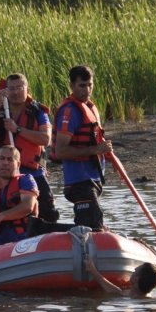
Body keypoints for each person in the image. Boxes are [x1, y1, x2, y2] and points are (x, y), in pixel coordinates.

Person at [0, 73, 59, 227]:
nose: (16, 92)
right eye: (12, 89)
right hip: (3, 170)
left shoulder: (39, 112)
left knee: (47, 211)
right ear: (6, 91)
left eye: (20, 88)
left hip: (32, 170)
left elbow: (46, 139)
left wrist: (17, 129)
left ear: (26, 88)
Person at [52, 65, 113, 231]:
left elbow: (93, 141)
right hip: (79, 181)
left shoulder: (91, 108)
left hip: (93, 179)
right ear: (71, 86)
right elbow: (61, 151)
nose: (87, 90)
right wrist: (95, 150)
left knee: (94, 223)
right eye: (82, 85)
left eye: (90, 85)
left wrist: (104, 150)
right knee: (93, 224)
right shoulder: (70, 112)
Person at [85, 257, 156, 297]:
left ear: (136, 279)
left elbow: (114, 291)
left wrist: (93, 270)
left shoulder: (130, 297)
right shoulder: (144, 294)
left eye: (135, 271)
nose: (134, 269)